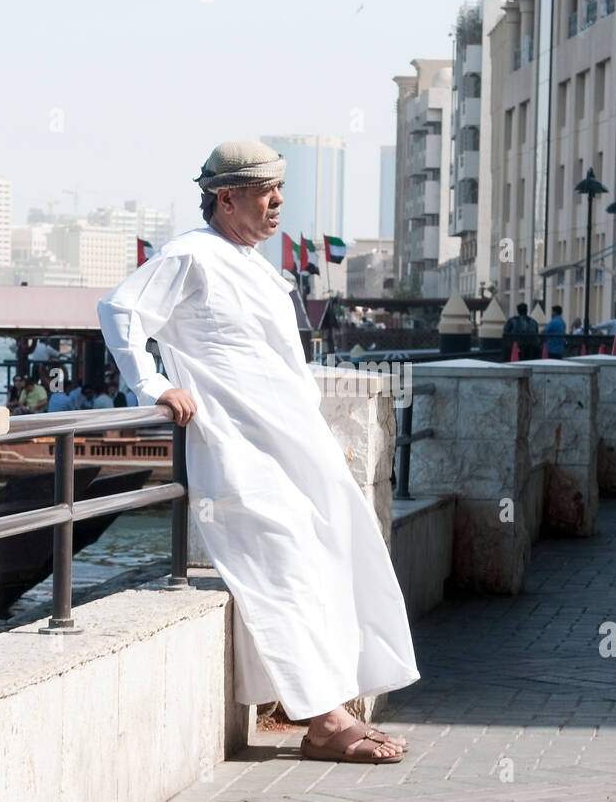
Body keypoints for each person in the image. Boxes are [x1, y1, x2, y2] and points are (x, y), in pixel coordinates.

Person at [98, 138, 417, 763]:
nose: (277, 204)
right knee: (282, 566)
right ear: (227, 197)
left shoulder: (255, 267)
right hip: (237, 449)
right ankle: (325, 723)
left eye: (280, 192)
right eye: (265, 192)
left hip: (292, 447)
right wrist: (155, 384)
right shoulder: (191, 255)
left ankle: (336, 708)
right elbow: (119, 309)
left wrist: (319, 443)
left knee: (334, 558)